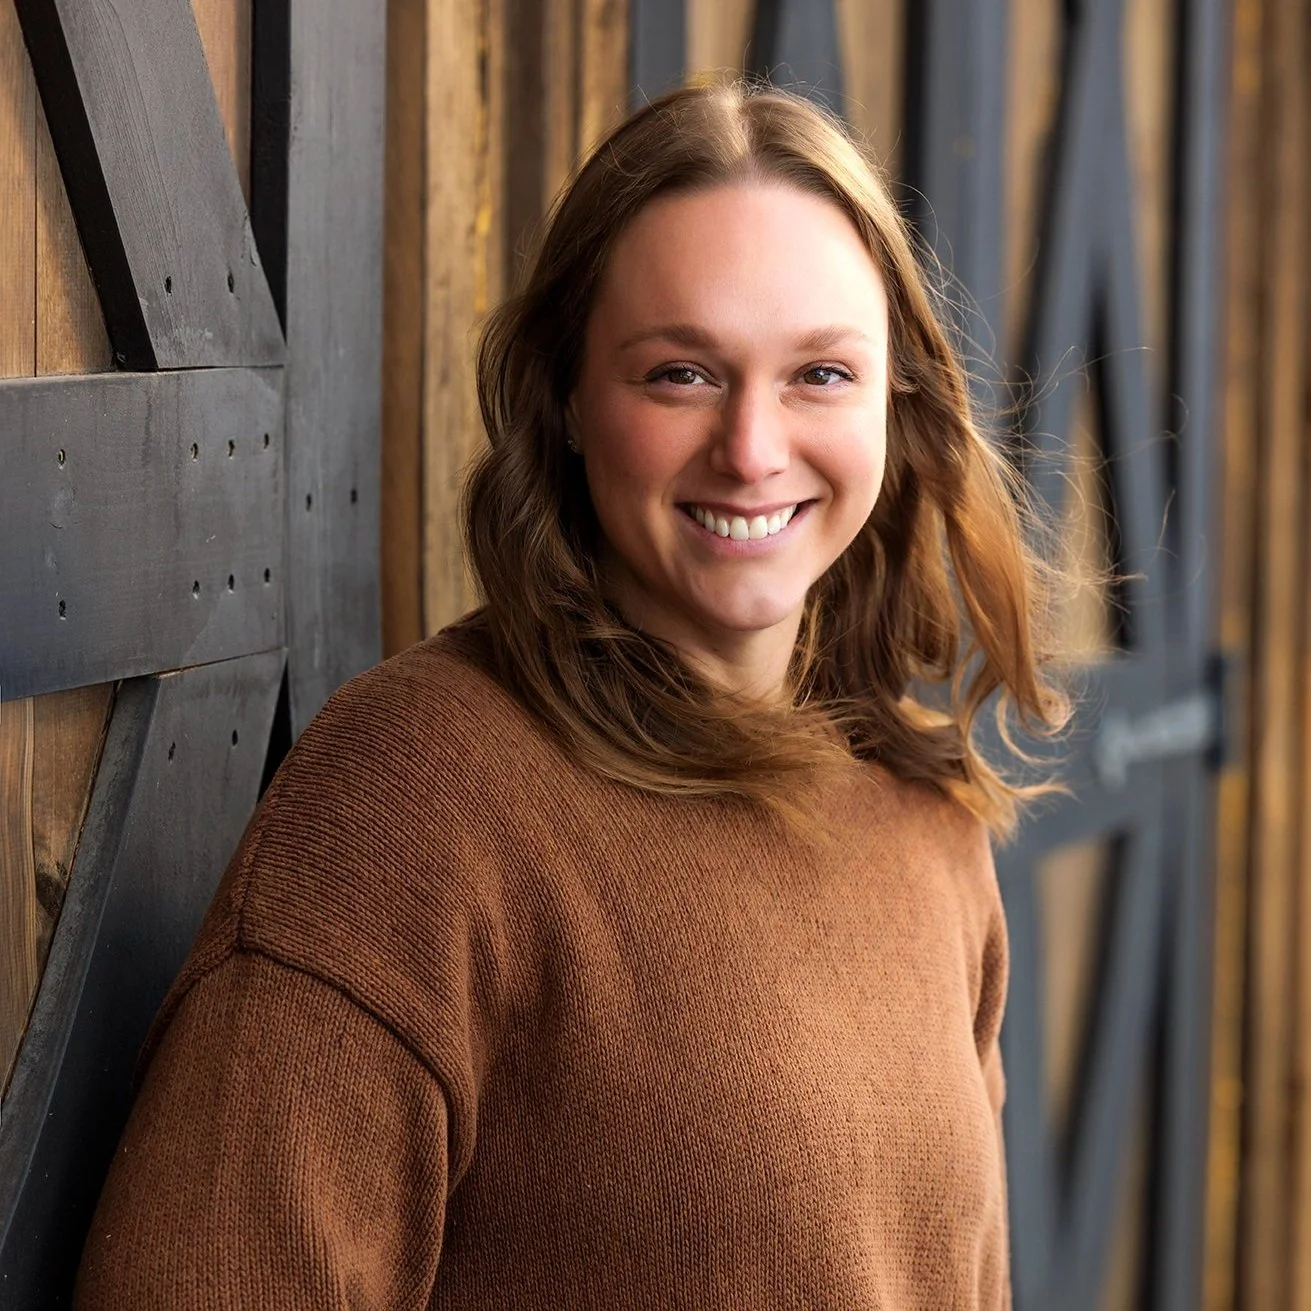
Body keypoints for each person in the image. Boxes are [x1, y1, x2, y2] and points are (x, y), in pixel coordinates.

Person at [75, 81, 1065, 1309]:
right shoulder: (415, 799)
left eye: (820, 374)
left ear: (898, 404)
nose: (753, 448)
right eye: (682, 375)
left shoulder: (926, 821)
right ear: (567, 402)